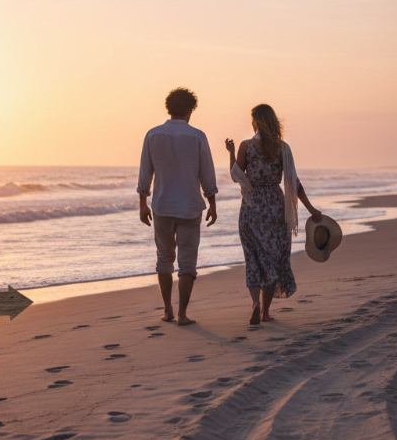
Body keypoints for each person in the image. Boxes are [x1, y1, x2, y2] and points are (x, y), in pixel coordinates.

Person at [225, 104, 322, 324]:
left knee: (253, 257)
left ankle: (254, 303)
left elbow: (236, 176)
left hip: (252, 208)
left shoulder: (246, 146)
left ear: (255, 122)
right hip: (277, 207)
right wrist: (311, 209)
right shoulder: (283, 148)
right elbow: (293, 184)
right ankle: (265, 312)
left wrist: (231, 154)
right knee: (273, 258)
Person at [137, 87, 218, 325]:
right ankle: (182, 314)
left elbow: (145, 173)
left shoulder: (152, 135)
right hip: (190, 206)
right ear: (190, 109)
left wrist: (143, 203)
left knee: (164, 258)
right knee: (187, 261)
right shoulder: (197, 136)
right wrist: (212, 203)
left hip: (162, 205)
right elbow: (207, 174)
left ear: (168, 108)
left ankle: (167, 310)